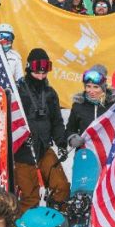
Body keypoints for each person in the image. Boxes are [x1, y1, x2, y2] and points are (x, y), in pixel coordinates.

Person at [14, 50, 70, 212]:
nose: (41, 72)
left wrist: (61, 142)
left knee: (61, 186)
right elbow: (10, 120)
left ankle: (55, 219)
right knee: (30, 196)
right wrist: (21, 137)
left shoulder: (50, 93)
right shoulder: (18, 91)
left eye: (45, 67)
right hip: (23, 152)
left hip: (44, 148)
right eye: (37, 67)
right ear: (29, 67)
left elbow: (57, 121)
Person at [65, 67, 115, 145]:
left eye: (96, 87)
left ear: (103, 87)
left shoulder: (114, 105)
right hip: (86, 153)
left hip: (108, 152)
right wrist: (72, 138)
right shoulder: (78, 105)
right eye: (88, 86)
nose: (91, 91)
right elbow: (70, 129)